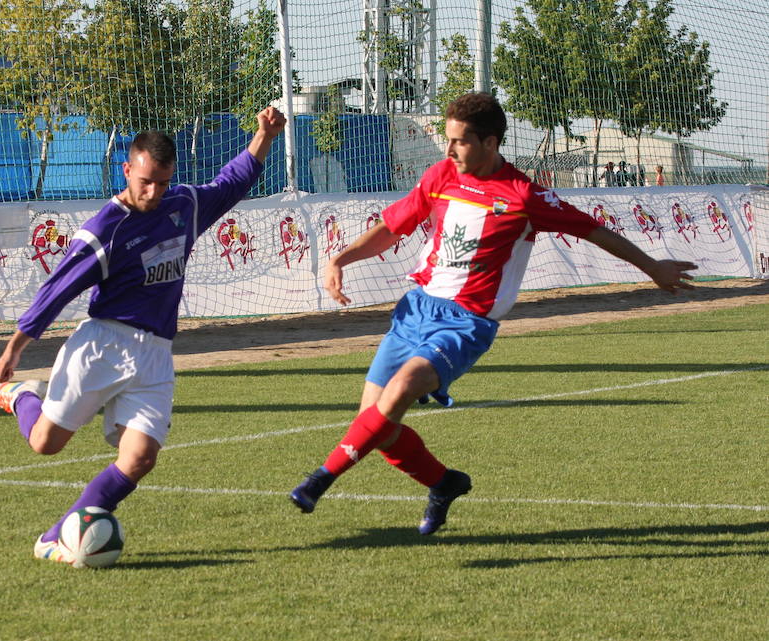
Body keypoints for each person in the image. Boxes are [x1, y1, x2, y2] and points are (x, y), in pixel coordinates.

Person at [288, 92, 697, 535]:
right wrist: (340, 259)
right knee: (378, 425)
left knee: (401, 391)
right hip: (417, 309)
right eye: (448, 140)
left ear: (490, 142)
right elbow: (392, 227)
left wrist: (652, 267)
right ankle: (445, 483)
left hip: (467, 322)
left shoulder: (524, 195)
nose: (449, 150)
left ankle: (318, 481)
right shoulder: (441, 175)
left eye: (459, 142)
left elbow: (595, 230)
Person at [0, 106, 286, 563]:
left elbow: (231, 183)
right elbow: (55, 290)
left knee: (140, 458)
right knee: (45, 444)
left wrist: (263, 136)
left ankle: (56, 537)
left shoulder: (183, 205)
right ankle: (24, 395)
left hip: (156, 354)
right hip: (103, 346)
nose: (154, 191)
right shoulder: (103, 230)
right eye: (146, 181)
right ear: (127, 169)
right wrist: (14, 350)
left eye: (163, 182)